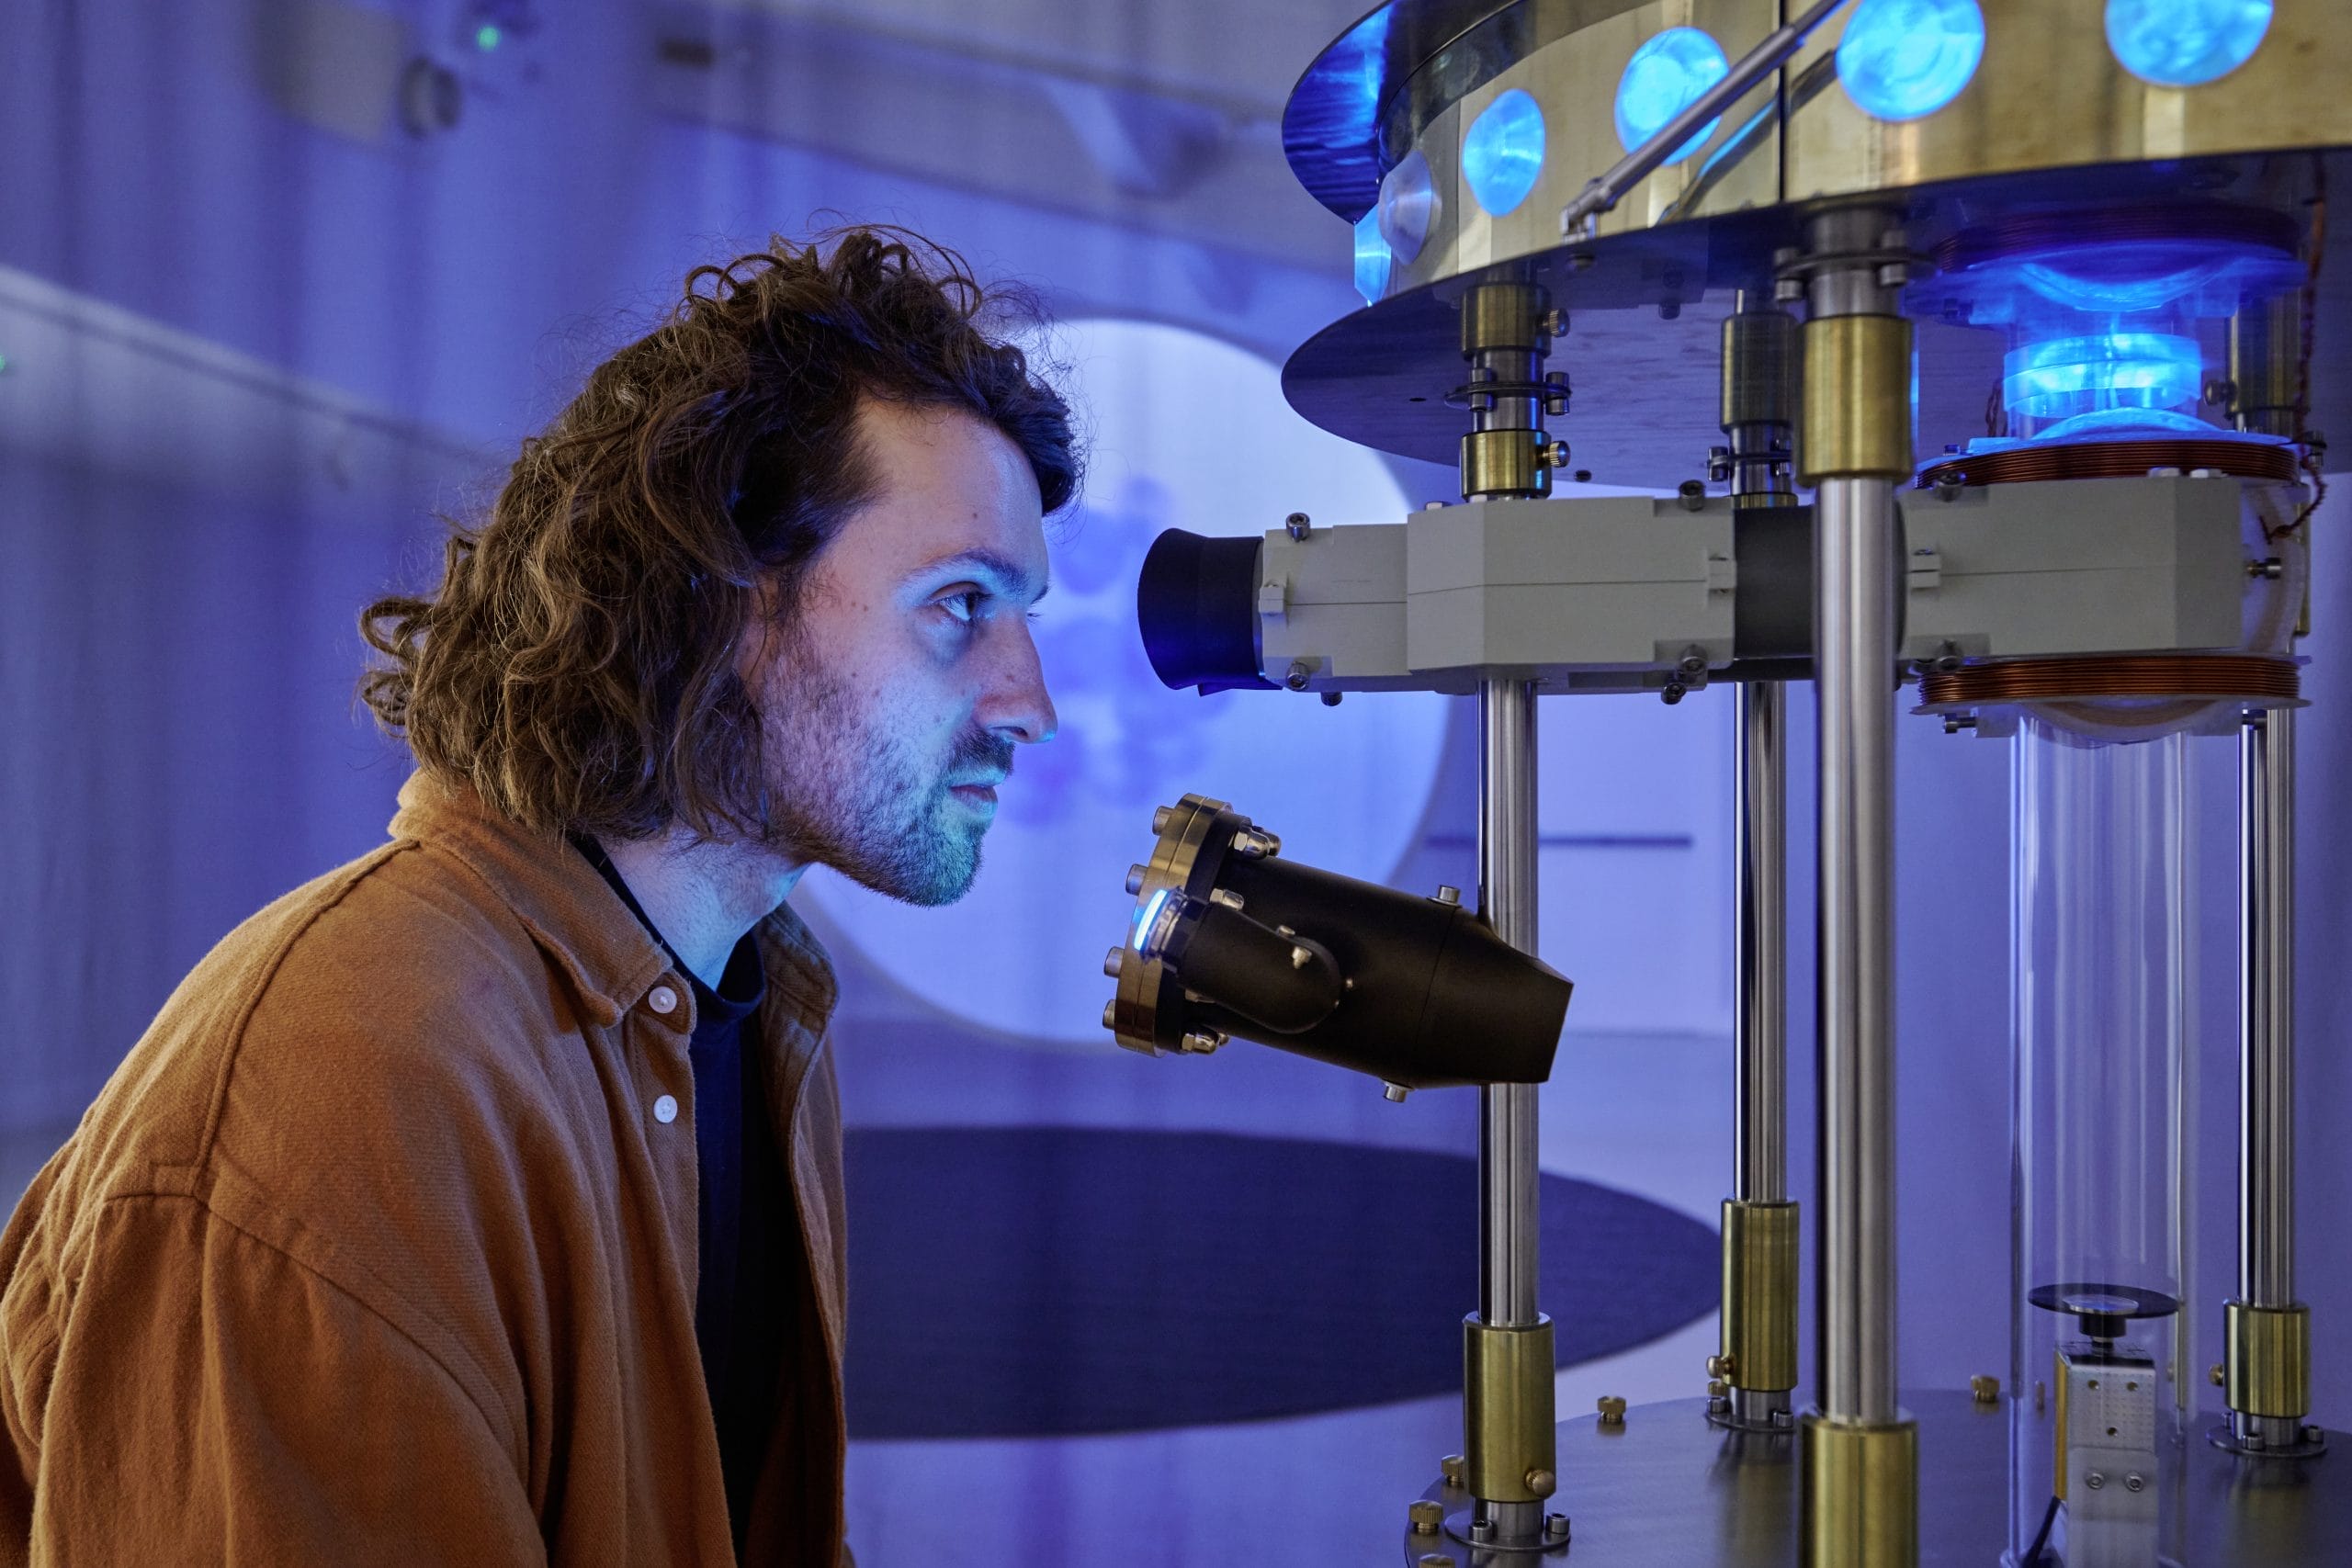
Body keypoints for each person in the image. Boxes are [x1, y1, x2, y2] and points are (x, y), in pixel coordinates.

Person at [0, 229, 1075, 1566]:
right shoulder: (352, 1078)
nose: (1030, 703)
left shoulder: (754, 1008)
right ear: (723, 599)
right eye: (961, 603)